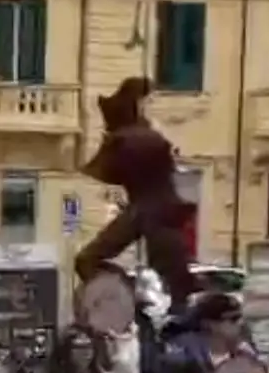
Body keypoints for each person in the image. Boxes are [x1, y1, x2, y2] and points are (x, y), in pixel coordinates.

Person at [76, 76, 198, 310]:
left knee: (88, 259)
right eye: (148, 100)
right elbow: (110, 170)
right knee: (176, 278)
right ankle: (128, 293)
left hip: (152, 210)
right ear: (136, 103)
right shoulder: (141, 137)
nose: (152, 106)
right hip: (154, 210)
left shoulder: (135, 137)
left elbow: (105, 171)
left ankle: (126, 293)